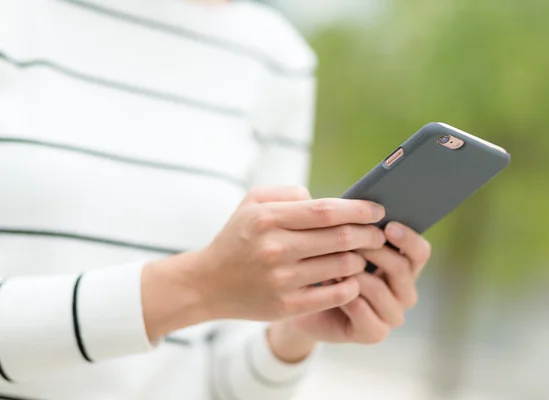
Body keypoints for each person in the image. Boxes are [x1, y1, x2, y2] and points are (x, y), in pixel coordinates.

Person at [0, 0, 431, 399]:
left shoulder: (278, 59)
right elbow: (209, 286)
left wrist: (293, 331)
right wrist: (198, 287)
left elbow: (223, 381)